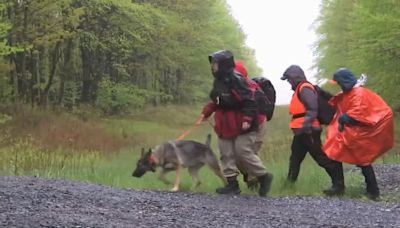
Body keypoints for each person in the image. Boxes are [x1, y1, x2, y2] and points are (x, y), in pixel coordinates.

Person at [200, 50, 273, 197]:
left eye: (215, 64)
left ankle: (263, 176)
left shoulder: (237, 81)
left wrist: (246, 120)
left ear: (223, 65)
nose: (212, 67)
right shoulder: (219, 81)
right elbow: (216, 100)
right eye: (212, 64)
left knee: (242, 151)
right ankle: (232, 185)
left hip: (238, 124)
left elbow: (249, 102)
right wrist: (205, 113)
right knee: (226, 153)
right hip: (224, 124)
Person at [324, 68, 394, 200]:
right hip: (355, 130)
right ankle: (338, 187)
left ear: (344, 81)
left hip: (363, 131)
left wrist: (346, 118)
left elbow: (358, 112)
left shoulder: (358, 93)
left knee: (363, 160)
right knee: (334, 152)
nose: (338, 85)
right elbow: (341, 102)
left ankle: (373, 192)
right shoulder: (349, 92)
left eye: (339, 82)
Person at [280, 65, 345, 195]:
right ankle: (289, 185)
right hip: (302, 131)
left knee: (321, 158)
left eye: (289, 79)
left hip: (308, 130)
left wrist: (306, 126)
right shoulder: (301, 88)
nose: (289, 82)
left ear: (295, 77)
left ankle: (338, 186)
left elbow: (312, 108)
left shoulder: (305, 88)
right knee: (295, 158)